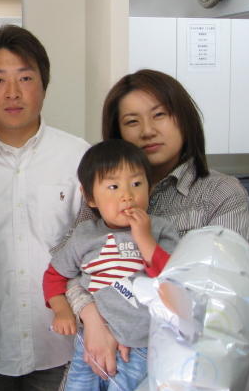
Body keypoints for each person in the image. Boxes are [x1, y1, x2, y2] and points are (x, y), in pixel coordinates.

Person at [65, 69, 249, 381]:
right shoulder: (104, 192)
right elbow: (69, 268)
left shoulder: (220, 194)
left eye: (160, 115)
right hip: (100, 360)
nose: (148, 131)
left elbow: (224, 303)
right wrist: (93, 319)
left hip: (184, 372)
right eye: (132, 121)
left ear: (183, 118)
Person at [0, 24, 90, 390]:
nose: (12, 92)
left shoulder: (78, 157)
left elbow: (94, 249)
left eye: (25, 78)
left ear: (44, 85)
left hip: (62, 342)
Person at [43, 140, 179, 390]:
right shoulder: (85, 235)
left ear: (150, 187)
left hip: (142, 346)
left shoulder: (160, 229)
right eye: (113, 187)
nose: (127, 195)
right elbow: (54, 276)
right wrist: (62, 310)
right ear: (90, 197)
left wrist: (144, 239)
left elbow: (174, 281)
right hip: (90, 341)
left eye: (136, 184)